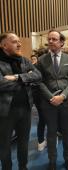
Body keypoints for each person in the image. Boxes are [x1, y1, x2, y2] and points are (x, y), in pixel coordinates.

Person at [0, 32, 42, 170]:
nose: (19, 44)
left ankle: (23, 167)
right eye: (14, 41)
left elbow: (38, 75)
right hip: (6, 112)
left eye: (19, 41)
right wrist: (26, 80)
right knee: (4, 144)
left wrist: (17, 77)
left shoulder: (24, 60)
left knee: (23, 142)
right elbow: (1, 84)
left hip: (26, 109)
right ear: (3, 45)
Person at [37, 29, 68, 170]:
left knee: (67, 133)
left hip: (67, 103)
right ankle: (52, 161)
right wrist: (51, 97)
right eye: (49, 39)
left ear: (61, 42)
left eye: (54, 39)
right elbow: (39, 82)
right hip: (49, 104)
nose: (51, 42)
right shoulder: (41, 60)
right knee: (51, 133)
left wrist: (63, 96)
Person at [31, 53, 47, 151]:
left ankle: (41, 141)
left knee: (42, 118)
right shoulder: (38, 68)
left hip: (37, 96)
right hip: (43, 96)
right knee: (47, 118)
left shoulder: (33, 68)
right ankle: (43, 141)